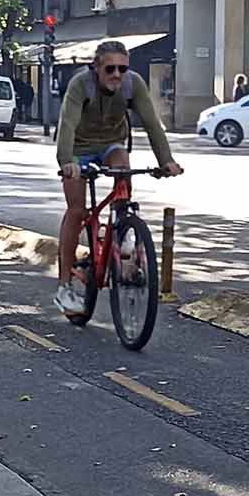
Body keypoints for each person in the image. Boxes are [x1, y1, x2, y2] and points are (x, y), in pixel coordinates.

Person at [53, 41, 183, 316]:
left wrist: (166, 161)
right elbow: (67, 125)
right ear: (96, 68)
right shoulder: (81, 85)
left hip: (112, 143)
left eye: (122, 68)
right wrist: (66, 162)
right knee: (77, 210)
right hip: (78, 147)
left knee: (123, 164)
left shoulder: (132, 84)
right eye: (110, 68)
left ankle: (122, 230)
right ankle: (64, 286)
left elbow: (151, 124)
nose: (117, 74)